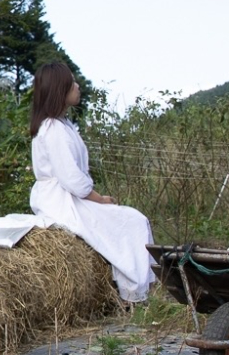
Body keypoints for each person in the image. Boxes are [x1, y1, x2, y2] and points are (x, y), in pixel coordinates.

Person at [27, 62, 155, 303]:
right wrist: (101, 199)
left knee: (129, 220)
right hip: (62, 201)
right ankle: (134, 291)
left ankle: (134, 286)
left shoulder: (62, 125)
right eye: (72, 83)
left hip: (67, 196)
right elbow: (72, 179)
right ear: (60, 89)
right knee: (133, 221)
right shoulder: (54, 128)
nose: (77, 86)